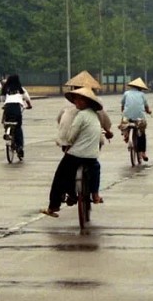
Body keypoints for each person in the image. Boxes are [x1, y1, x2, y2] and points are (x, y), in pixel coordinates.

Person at [41, 87, 105, 217]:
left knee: (60, 175)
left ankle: (54, 206)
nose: (76, 102)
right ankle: (95, 194)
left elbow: (71, 136)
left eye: (79, 100)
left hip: (77, 155)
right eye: (75, 99)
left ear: (86, 101)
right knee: (96, 168)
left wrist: (68, 143)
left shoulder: (81, 115)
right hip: (92, 155)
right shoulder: (95, 115)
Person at [119, 77, 152, 162]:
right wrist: (149, 111)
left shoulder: (126, 93)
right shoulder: (142, 95)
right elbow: (146, 107)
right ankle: (143, 153)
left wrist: (124, 112)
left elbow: (122, 105)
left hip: (127, 117)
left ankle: (126, 135)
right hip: (139, 118)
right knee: (142, 133)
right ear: (140, 88)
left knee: (124, 124)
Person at [1, 74, 32, 158]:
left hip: (7, 108)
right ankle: (19, 147)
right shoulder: (21, 89)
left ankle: (7, 132)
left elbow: (3, 100)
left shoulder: (5, 89)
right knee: (18, 127)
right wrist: (29, 106)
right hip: (16, 109)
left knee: (6, 122)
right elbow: (28, 99)